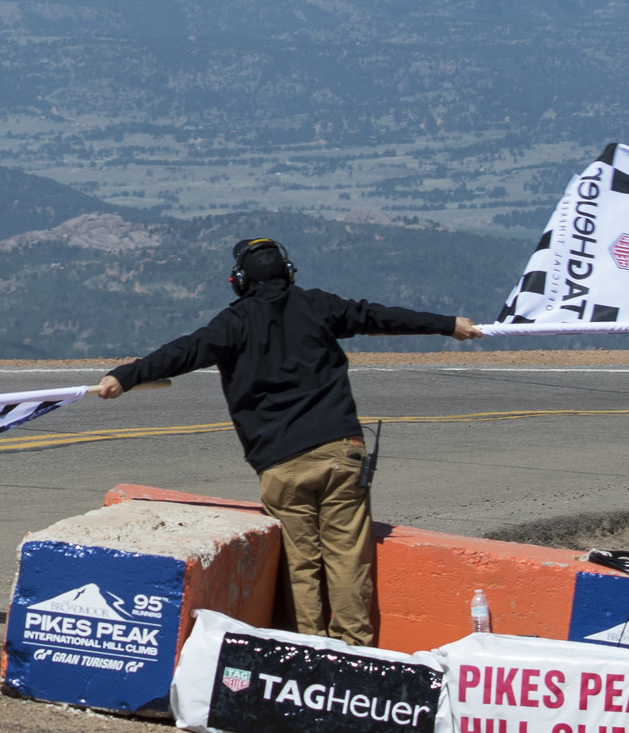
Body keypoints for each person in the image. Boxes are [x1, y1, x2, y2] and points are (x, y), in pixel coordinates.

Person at [95, 236, 481, 647]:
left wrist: (126, 375)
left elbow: (184, 352)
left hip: (283, 463)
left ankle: (308, 651)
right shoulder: (318, 305)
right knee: (349, 559)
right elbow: (377, 316)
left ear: (239, 281)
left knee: (301, 564)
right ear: (289, 272)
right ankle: (354, 649)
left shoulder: (233, 323)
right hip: (342, 453)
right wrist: (447, 324)